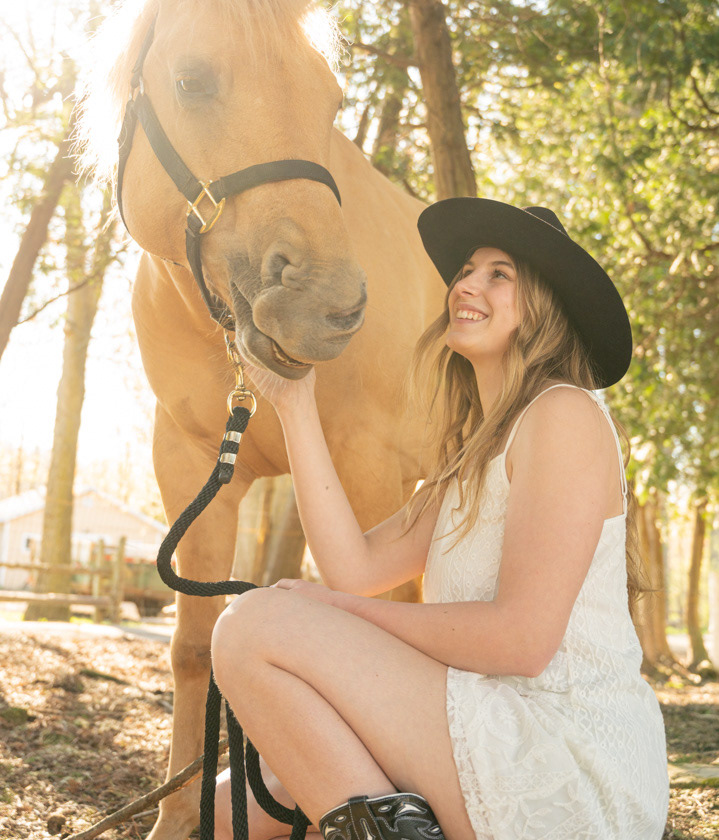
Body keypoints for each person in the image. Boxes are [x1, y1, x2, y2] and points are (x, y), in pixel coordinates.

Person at [211, 197, 669, 840]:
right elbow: (353, 568)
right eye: (466, 270)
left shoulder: (563, 414)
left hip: (562, 760)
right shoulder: (472, 459)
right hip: (475, 725)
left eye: (499, 274)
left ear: (546, 310)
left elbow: (521, 641)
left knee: (249, 627)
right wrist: (294, 402)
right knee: (228, 810)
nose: (467, 284)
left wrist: (337, 613)